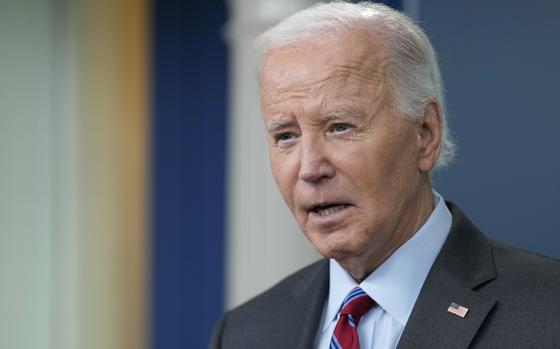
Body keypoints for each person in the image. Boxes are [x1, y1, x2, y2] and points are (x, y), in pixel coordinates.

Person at [210, 2, 560, 348]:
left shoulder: (548, 312)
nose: (310, 168)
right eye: (286, 136)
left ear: (425, 134)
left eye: (340, 127)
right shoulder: (245, 332)